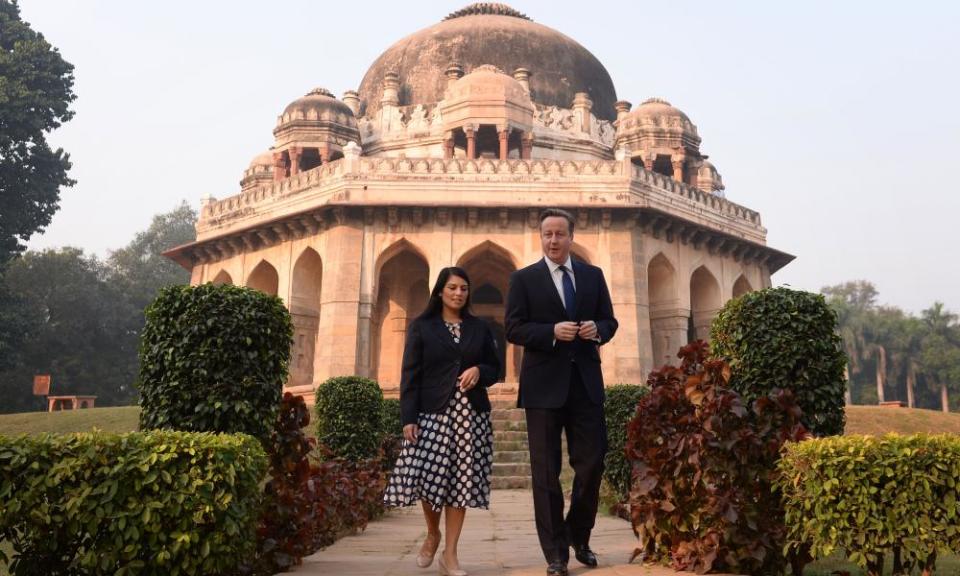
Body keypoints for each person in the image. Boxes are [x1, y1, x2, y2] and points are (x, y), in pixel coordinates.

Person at [505, 208, 618, 576]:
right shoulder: (525, 279)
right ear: (541, 238)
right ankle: (556, 553)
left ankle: (577, 533)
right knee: (546, 472)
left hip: (585, 384)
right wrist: (551, 332)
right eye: (547, 234)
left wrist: (595, 330)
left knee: (593, 462)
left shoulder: (591, 275)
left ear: (572, 236)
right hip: (543, 388)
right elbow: (514, 329)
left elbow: (610, 320)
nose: (553, 240)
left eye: (559, 234)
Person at [384, 266, 501, 576]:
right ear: (440, 291)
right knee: (429, 479)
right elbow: (410, 374)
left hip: (470, 416)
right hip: (432, 412)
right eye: (452, 288)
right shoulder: (423, 327)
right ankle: (433, 533)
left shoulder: (479, 327)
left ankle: (451, 555)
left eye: (463, 288)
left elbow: (495, 367)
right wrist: (408, 416)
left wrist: (479, 371)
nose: (458, 293)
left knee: (460, 482)